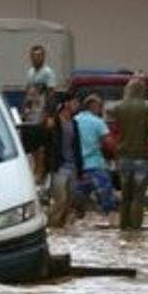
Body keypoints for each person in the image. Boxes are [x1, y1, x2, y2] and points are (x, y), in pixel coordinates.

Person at [113, 76, 148, 230]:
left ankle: (123, 228)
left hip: (123, 158)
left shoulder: (119, 108)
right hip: (141, 158)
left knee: (125, 196)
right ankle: (135, 229)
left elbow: (114, 130)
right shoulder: (146, 107)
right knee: (138, 197)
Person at [72, 94, 117, 223]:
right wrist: (117, 156)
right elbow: (109, 143)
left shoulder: (73, 120)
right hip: (96, 167)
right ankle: (110, 224)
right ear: (94, 106)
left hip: (78, 169)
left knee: (76, 206)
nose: (101, 110)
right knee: (107, 204)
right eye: (100, 107)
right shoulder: (98, 122)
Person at [43, 94, 82, 228]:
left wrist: (80, 169)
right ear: (66, 104)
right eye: (75, 102)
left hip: (73, 166)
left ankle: (60, 229)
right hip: (59, 167)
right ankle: (51, 227)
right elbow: (46, 143)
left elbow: (77, 147)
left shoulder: (74, 123)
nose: (77, 105)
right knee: (61, 199)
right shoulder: (54, 123)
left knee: (68, 202)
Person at [25, 44, 57, 108]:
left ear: (43, 57)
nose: (35, 59)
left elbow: (51, 94)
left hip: (43, 107)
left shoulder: (48, 72)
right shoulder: (30, 72)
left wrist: (48, 111)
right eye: (33, 56)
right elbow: (28, 92)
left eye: (38, 56)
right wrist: (26, 108)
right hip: (32, 108)